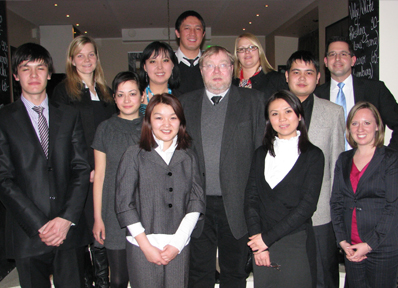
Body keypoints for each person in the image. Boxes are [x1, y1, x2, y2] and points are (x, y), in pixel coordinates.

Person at [0, 43, 90, 287]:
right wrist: (40, 225)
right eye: (25, 69)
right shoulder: (4, 119)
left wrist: (65, 219)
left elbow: (81, 169)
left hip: (68, 232)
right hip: (28, 232)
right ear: (16, 75)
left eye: (40, 68)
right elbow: (3, 179)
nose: (33, 75)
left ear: (49, 73)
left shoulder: (69, 115)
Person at [179, 46, 266, 288]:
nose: (216, 71)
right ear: (201, 70)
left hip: (237, 204)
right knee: (198, 275)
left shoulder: (253, 101)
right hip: (197, 204)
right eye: (209, 65)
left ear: (233, 69)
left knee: (234, 274)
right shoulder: (185, 104)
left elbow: (261, 153)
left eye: (223, 65)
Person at [115, 93, 205, 287]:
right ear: (148, 121)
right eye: (159, 117)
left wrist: (177, 243)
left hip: (179, 246)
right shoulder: (134, 154)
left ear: (180, 122)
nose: (166, 124)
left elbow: (196, 201)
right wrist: (146, 246)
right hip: (141, 246)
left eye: (173, 117)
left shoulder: (189, 157)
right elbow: (124, 204)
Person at [52, 35, 116, 288]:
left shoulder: (105, 90)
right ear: (71, 60)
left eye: (91, 54)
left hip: (105, 170)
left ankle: (102, 280)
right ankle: (87, 278)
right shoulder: (62, 91)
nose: (86, 60)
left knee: (102, 225)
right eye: (80, 55)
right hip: (81, 172)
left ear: (97, 58)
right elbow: (62, 137)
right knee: (83, 228)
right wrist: (86, 167)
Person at [245, 89, 324, 287]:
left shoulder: (313, 155)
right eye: (274, 113)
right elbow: (251, 200)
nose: (282, 119)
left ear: (299, 115)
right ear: (268, 120)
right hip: (262, 246)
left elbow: (307, 206)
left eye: (288, 111)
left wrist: (266, 240)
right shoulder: (260, 154)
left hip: (296, 243)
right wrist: (259, 245)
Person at [285, 50, 345, 288]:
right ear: (287, 76)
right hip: (283, 213)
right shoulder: (271, 110)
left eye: (309, 72)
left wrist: (335, 211)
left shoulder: (333, 112)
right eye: (296, 72)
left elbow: (337, 165)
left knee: (323, 277)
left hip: (320, 214)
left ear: (318, 77)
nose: (302, 78)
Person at [331, 101, 398, 288]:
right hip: (351, 247)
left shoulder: (391, 159)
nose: (360, 128)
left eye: (367, 123)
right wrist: (342, 241)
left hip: (382, 247)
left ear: (377, 126)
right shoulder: (344, 159)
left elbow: (393, 207)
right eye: (354, 123)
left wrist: (369, 245)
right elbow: (336, 202)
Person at [92, 71, 144, 288]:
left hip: (145, 211)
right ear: (114, 98)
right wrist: (98, 218)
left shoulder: (153, 126)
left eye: (132, 94)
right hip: (113, 214)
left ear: (142, 96)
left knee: (145, 278)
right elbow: (100, 175)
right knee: (119, 279)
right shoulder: (105, 128)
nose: (126, 100)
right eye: (121, 95)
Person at [315, 36, 398, 150]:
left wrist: (390, 156)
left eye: (343, 54)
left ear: (353, 60)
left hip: (368, 163)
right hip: (328, 166)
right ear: (326, 61)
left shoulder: (375, 89)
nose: (337, 58)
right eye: (332, 54)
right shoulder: (316, 96)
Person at [139, 41, 180, 114]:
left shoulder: (182, 99)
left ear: (172, 65)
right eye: (153, 61)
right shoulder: (135, 97)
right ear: (145, 67)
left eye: (165, 60)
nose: (160, 67)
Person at [174, 10, 206, 95]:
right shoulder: (167, 65)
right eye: (187, 28)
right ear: (177, 33)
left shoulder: (212, 65)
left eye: (197, 29)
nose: (192, 33)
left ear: (203, 34)